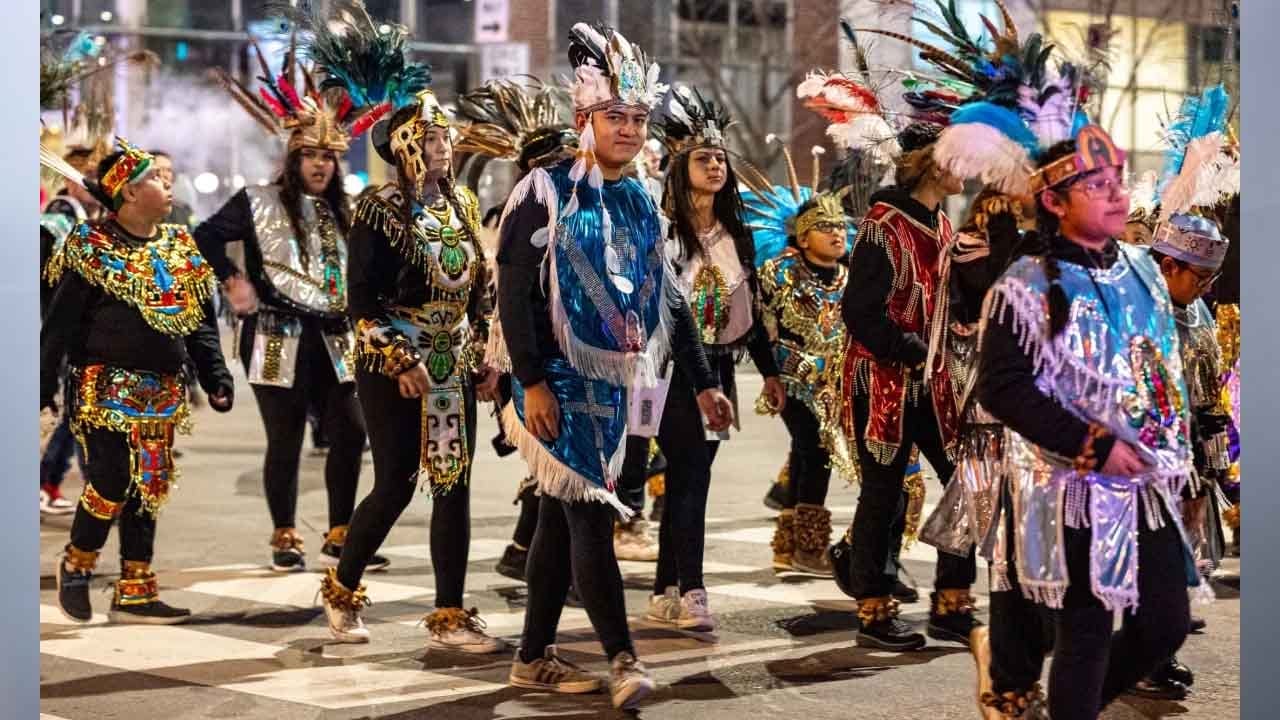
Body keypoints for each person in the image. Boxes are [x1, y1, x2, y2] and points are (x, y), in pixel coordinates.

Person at [494, 22, 732, 710]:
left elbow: (670, 300)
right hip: (555, 378)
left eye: (636, 118)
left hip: (616, 380)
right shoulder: (543, 190)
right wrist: (533, 380)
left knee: (556, 514)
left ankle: (532, 656)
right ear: (584, 120)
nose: (628, 129)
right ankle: (622, 658)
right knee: (591, 512)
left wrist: (706, 381)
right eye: (614, 117)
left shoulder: (640, 199)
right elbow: (513, 289)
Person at [977, 124, 1200, 720]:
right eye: (1096, 186)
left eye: (1117, 181)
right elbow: (1001, 389)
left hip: (1145, 482)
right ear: (1054, 202)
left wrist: (1178, 453)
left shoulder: (1143, 269)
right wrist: (1091, 445)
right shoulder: (1022, 286)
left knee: (1164, 624)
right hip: (1069, 489)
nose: (1116, 195)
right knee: (1087, 634)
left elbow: (1161, 367)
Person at [41, 138, 235, 624]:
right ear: (127, 193)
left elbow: (199, 322)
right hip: (103, 385)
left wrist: (214, 373)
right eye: (152, 177)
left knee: (150, 485)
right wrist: (42, 386)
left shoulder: (179, 246)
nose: (165, 183)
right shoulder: (89, 247)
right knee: (111, 479)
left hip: (162, 389)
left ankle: (135, 585)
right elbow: (59, 326)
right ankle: (78, 564)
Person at [198, 43, 372, 573]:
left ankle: (342, 529)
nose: (320, 164)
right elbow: (202, 237)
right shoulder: (256, 201)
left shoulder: (349, 209)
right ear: (292, 158)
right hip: (276, 333)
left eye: (328, 157)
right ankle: (285, 532)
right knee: (286, 437)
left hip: (338, 337)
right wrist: (233, 280)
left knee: (352, 429)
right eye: (311, 155)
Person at [641, 84, 786, 628]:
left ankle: (664, 588)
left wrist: (770, 372)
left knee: (688, 475)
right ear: (680, 169)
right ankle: (693, 590)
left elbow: (753, 309)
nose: (715, 166)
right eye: (703, 158)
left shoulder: (736, 235)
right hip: (674, 370)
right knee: (691, 474)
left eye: (721, 158)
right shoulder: (662, 231)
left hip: (719, 368)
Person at [838, 121, 976, 650]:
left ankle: (952, 600)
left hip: (932, 382)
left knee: (967, 477)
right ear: (933, 165)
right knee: (884, 492)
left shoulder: (941, 225)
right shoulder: (884, 224)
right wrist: (913, 349)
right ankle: (873, 609)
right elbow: (861, 314)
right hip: (883, 381)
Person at [740, 137, 856, 580]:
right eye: (826, 228)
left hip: (837, 381)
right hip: (793, 377)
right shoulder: (779, 273)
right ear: (803, 236)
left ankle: (788, 545)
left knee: (807, 451)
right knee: (814, 449)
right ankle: (810, 546)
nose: (836, 235)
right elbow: (756, 326)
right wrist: (771, 374)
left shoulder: (849, 276)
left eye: (841, 228)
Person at [40, 144, 104, 516]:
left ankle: (50, 480)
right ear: (71, 180)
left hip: (78, 333)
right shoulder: (57, 220)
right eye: (88, 179)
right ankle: (94, 493)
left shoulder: (88, 216)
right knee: (78, 413)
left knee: (76, 414)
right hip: (62, 330)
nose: (94, 185)